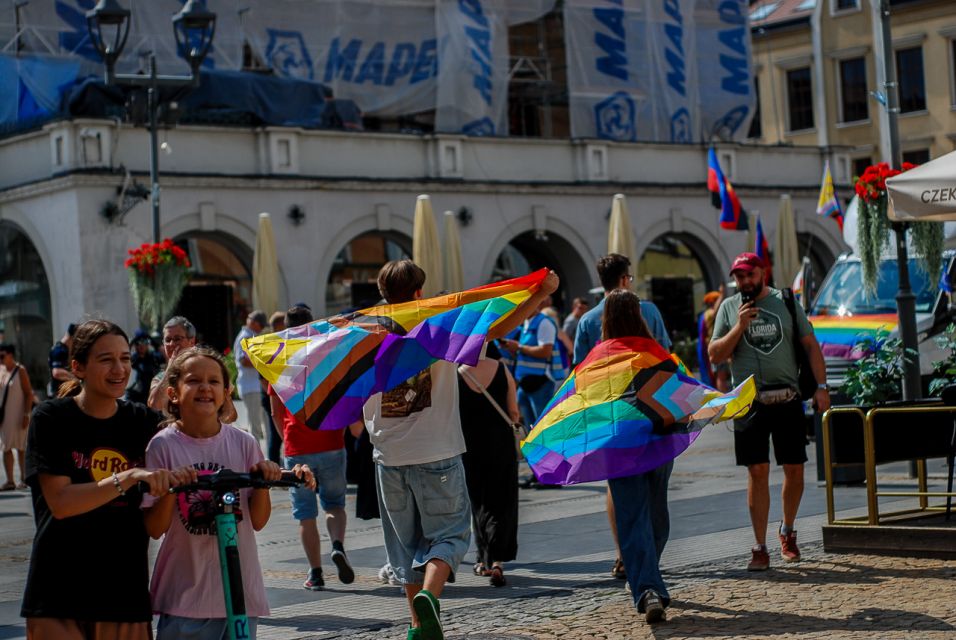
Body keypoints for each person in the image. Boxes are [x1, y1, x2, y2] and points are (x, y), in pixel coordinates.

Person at [362, 260, 558, 640]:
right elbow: (497, 327)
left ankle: (418, 628)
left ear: (383, 291)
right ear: (419, 292)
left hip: (387, 456)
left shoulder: (364, 330)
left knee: (404, 547)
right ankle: (429, 598)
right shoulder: (437, 324)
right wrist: (540, 293)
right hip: (437, 450)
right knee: (449, 536)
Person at [21, 319, 183, 639]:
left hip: (124, 596)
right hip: (58, 596)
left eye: (125, 359)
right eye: (106, 359)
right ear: (78, 367)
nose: (119, 369)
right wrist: (129, 475)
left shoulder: (143, 423)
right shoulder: (52, 418)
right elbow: (61, 502)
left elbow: (197, 435)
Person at [142, 346, 314, 639]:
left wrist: (263, 482)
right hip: (185, 596)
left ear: (226, 391)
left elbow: (257, 521)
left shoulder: (243, 443)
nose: (205, 387)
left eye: (214, 381)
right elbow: (155, 527)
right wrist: (172, 486)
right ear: (173, 393)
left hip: (239, 594)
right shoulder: (162, 446)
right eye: (194, 380)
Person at [709, 252, 829, 571]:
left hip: (787, 398)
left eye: (749, 274)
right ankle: (759, 546)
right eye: (739, 276)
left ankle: (787, 530)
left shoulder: (785, 301)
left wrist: (821, 387)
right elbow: (715, 353)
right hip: (750, 401)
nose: (744, 281)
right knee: (757, 471)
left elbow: (810, 344)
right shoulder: (729, 308)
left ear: (763, 272)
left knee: (795, 468)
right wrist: (739, 326)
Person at [572, 253, 672, 581]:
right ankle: (647, 574)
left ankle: (627, 559)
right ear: (626, 279)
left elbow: (580, 380)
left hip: (614, 427)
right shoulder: (652, 312)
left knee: (624, 499)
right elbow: (671, 366)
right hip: (656, 425)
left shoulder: (588, 322)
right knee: (656, 508)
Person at [269, 306, 354, 591]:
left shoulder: (278, 359)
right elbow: (341, 396)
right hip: (330, 440)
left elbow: (274, 411)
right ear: (313, 324)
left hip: (297, 446)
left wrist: (287, 439)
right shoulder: (327, 354)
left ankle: (315, 573)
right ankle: (338, 544)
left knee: (305, 515)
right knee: (334, 505)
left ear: (286, 327)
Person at [601, 289, 673, 624]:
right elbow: (675, 394)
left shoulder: (599, 359)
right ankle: (648, 586)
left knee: (634, 518)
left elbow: (589, 407)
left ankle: (646, 585)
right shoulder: (655, 352)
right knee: (656, 514)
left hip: (620, 449)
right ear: (638, 315)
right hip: (658, 443)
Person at [457, 340, 520, 587]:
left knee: (478, 501)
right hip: (500, 444)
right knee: (502, 500)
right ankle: (497, 562)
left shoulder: (457, 372)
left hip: (469, 445)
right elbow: (513, 412)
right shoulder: (502, 369)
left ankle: (482, 560)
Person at [499, 298, 569, 430]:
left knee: (544, 427)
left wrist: (519, 347)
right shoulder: (526, 323)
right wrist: (512, 348)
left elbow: (545, 351)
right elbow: (526, 351)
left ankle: (549, 450)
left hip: (540, 383)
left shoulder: (544, 323)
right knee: (531, 428)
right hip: (526, 383)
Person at [147, 316, 199, 411]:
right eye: (167, 340)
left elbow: (230, 416)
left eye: (177, 339)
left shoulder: (208, 371)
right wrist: (170, 369)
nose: (171, 344)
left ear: (192, 342)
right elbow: (155, 405)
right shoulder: (160, 378)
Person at [234, 310, 269, 448]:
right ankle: (256, 458)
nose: (261, 328)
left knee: (260, 425)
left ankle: (260, 455)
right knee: (255, 426)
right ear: (253, 323)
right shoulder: (245, 337)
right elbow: (243, 361)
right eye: (260, 325)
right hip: (251, 386)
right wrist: (264, 363)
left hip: (254, 386)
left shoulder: (250, 336)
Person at [0, 344, 33, 490]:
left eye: (2, 356)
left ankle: (24, 478)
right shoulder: (0, 370)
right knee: (5, 446)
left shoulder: (20, 370)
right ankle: (10, 480)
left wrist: (26, 414)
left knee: (21, 447)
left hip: (19, 414)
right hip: (4, 416)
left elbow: (28, 394)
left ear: (10, 355)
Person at [263, 311, 287, 464]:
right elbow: (263, 377)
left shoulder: (276, 343)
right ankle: (273, 465)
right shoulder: (272, 345)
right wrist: (275, 393)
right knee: (275, 434)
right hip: (271, 394)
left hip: (275, 393)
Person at [127, 329, 163, 405]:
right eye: (138, 343)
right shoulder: (133, 359)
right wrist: (132, 343)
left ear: (147, 344)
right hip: (137, 397)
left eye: (144, 342)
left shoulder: (154, 357)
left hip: (153, 395)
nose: (141, 345)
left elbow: (165, 355)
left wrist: (152, 340)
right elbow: (124, 355)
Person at [47, 323, 76, 398]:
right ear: (72, 337)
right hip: (59, 394)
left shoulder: (65, 349)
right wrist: (75, 379)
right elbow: (57, 372)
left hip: (63, 393)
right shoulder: (59, 350)